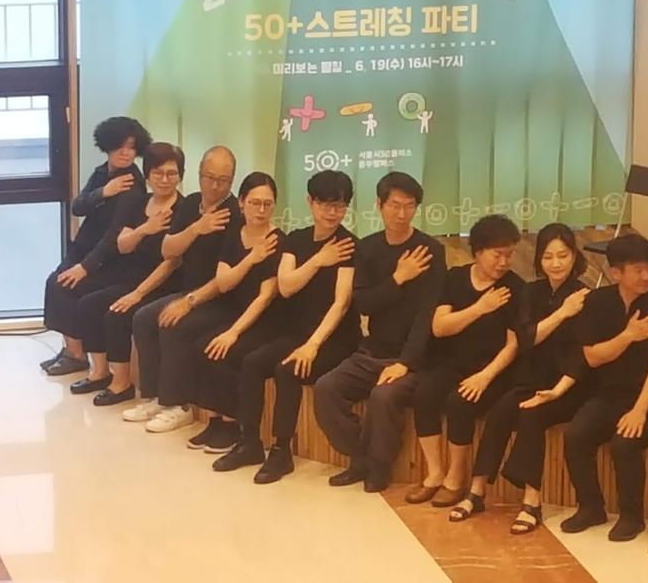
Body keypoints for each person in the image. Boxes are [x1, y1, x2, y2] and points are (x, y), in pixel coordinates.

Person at [212, 171, 361, 483]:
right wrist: (318, 260)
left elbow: (341, 303)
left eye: (340, 206)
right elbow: (287, 286)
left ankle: (281, 452)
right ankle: (249, 442)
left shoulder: (348, 244)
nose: (333, 213)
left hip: (334, 338)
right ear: (310, 202)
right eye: (326, 205)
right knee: (253, 362)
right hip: (297, 333)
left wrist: (313, 345)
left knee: (287, 370)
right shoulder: (296, 239)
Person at [447, 223, 592, 534]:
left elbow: (581, 356)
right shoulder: (532, 291)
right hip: (532, 379)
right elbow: (525, 339)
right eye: (548, 257)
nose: (556, 263)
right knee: (501, 411)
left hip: (568, 385)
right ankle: (476, 490)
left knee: (531, 415)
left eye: (563, 256)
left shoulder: (583, 297)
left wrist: (557, 391)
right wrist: (561, 313)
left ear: (574, 256)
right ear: (539, 259)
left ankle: (532, 500)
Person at [313, 172, 445, 493]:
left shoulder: (430, 250)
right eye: (395, 205)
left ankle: (379, 466)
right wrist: (399, 278)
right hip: (371, 351)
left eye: (409, 206)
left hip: (412, 358)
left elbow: (427, 315)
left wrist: (406, 363)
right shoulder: (368, 248)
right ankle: (361, 457)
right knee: (326, 388)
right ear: (379, 205)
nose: (402, 214)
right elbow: (364, 304)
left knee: (382, 396)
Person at [560, 233, 648, 542]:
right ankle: (591, 507)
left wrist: (640, 411)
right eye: (638, 270)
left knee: (624, 442)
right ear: (616, 273)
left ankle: (632, 517)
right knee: (575, 435)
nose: (647, 276)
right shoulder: (598, 302)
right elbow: (593, 357)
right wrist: (629, 335)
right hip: (609, 395)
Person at [405, 214, 524, 508]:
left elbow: (513, 345)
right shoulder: (456, 278)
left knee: (460, 403)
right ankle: (434, 473)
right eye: (497, 255)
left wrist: (485, 376)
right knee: (424, 394)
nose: (503, 262)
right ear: (478, 251)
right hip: (453, 363)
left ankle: (456, 478)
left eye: (509, 255)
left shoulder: (515, 287)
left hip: (494, 370)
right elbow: (439, 327)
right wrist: (480, 307)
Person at [122, 146, 239, 425]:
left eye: (222, 180)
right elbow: (169, 250)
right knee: (143, 318)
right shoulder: (191, 204)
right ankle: (154, 397)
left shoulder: (235, 214)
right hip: (189, 290)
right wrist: (197, 228)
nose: (214, 185)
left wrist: (189, 302)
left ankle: (179, 405)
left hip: (221, 299)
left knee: (174, 323)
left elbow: (225, 279)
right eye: (209, 177)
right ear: (199, 174)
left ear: (232, 180)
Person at [171, 172, 284, 457]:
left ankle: (234, 425)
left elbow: (265, 297)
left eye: (267, 204)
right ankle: (215, 421)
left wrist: (233, 333)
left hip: (267, 320)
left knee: (228, 350)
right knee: (202, 344)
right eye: (255, 202)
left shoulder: (278, 240)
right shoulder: (235, 235)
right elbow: (224, 282)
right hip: (236, 311)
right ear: (242, 202)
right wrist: (251, 258)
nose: (261, 210)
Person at [67, 142, 186, 405]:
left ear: (180, 176)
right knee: (88, 304)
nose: (164, 179)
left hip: (162, 283)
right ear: (148, 174)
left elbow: (172, 262)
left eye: (172, 174)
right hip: (131, 276)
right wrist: (146, 228)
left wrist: (137, 295)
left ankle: (122, 384)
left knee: (117, 315)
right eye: (158, 173)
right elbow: (122, 244)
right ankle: (99, 372)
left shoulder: (183, 209)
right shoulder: (137, 202)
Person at [42, 116, 149, 376]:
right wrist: (104, 192)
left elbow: (114, 236)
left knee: (64, 285)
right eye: (120, 146)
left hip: (110, 260)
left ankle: (76, 354)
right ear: (107, 145)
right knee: (54, 282)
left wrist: (85, 268)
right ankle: (71, 349)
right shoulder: (102, 173)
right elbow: (78, 206)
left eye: (132, 147)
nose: (126, 153)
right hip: (85, 248)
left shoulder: (132, 183)